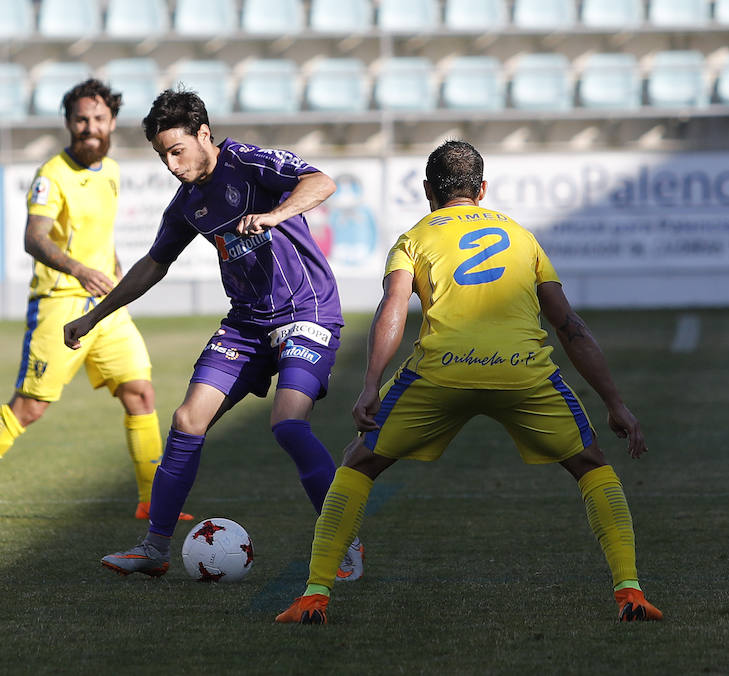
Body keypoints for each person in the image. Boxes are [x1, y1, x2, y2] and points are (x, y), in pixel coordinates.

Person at [276, 140, 663, 624]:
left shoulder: (414, 237)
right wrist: (615, 403)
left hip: (442, 371)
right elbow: (569, 326)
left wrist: (371, 382)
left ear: (426, 190)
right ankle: (630, 593)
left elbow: (393, 308)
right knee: (590, 464)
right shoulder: (522, 237)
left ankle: (315, 596)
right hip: (521, 370)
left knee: (359, 463)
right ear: (482, 189)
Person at [64, 88, 364, 581]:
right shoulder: (187, 203)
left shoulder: (248, 162)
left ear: (205, 134)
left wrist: (274, 214)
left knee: (288, 424)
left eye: (177, 150)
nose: (171, 163)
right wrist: (93, 317)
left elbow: (322, 181)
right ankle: (154, 548)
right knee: (186, 420)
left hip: (306, 310)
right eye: (163, 155)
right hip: (247, 322)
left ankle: (344, 541)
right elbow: (152, 266)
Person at [0, 79, 190, 523]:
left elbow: (102, 239)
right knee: (31, 406)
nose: (89, 127)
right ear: (69, 123)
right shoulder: (51, 175)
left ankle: (153, 502)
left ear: (111, 121)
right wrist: (79, 269)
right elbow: (34, 237)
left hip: (106, 307)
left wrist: (111, 271)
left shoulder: (110, 170)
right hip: (60, 303)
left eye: (98, 119)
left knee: (140, 391)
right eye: (80, 120)